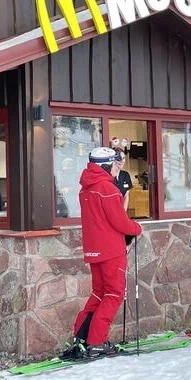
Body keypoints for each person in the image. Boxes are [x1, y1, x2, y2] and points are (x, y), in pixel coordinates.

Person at [62, 147, 144, 359]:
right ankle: (96, 342)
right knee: (113, 294)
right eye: (115, 164)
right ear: (106, 165)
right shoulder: (107, 188)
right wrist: (136, 228)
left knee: (99, 293)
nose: (118, 167)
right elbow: (119, 221)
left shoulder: (86, 188)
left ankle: (82, 337)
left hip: (94, 250)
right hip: (111, 250)